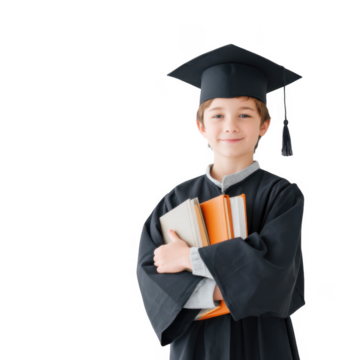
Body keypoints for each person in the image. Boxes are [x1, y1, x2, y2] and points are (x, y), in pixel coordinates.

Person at [135, 43, 306, 360]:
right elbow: (151, 271)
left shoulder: (282, 195)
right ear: (201, 127)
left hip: (263, 343)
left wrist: (190, 258)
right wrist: (231, 285)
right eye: (217, 115)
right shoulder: (175, 199)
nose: (230, 125)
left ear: (264, 126)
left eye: (244, 114)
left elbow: (276, 272)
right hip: (194, 343)